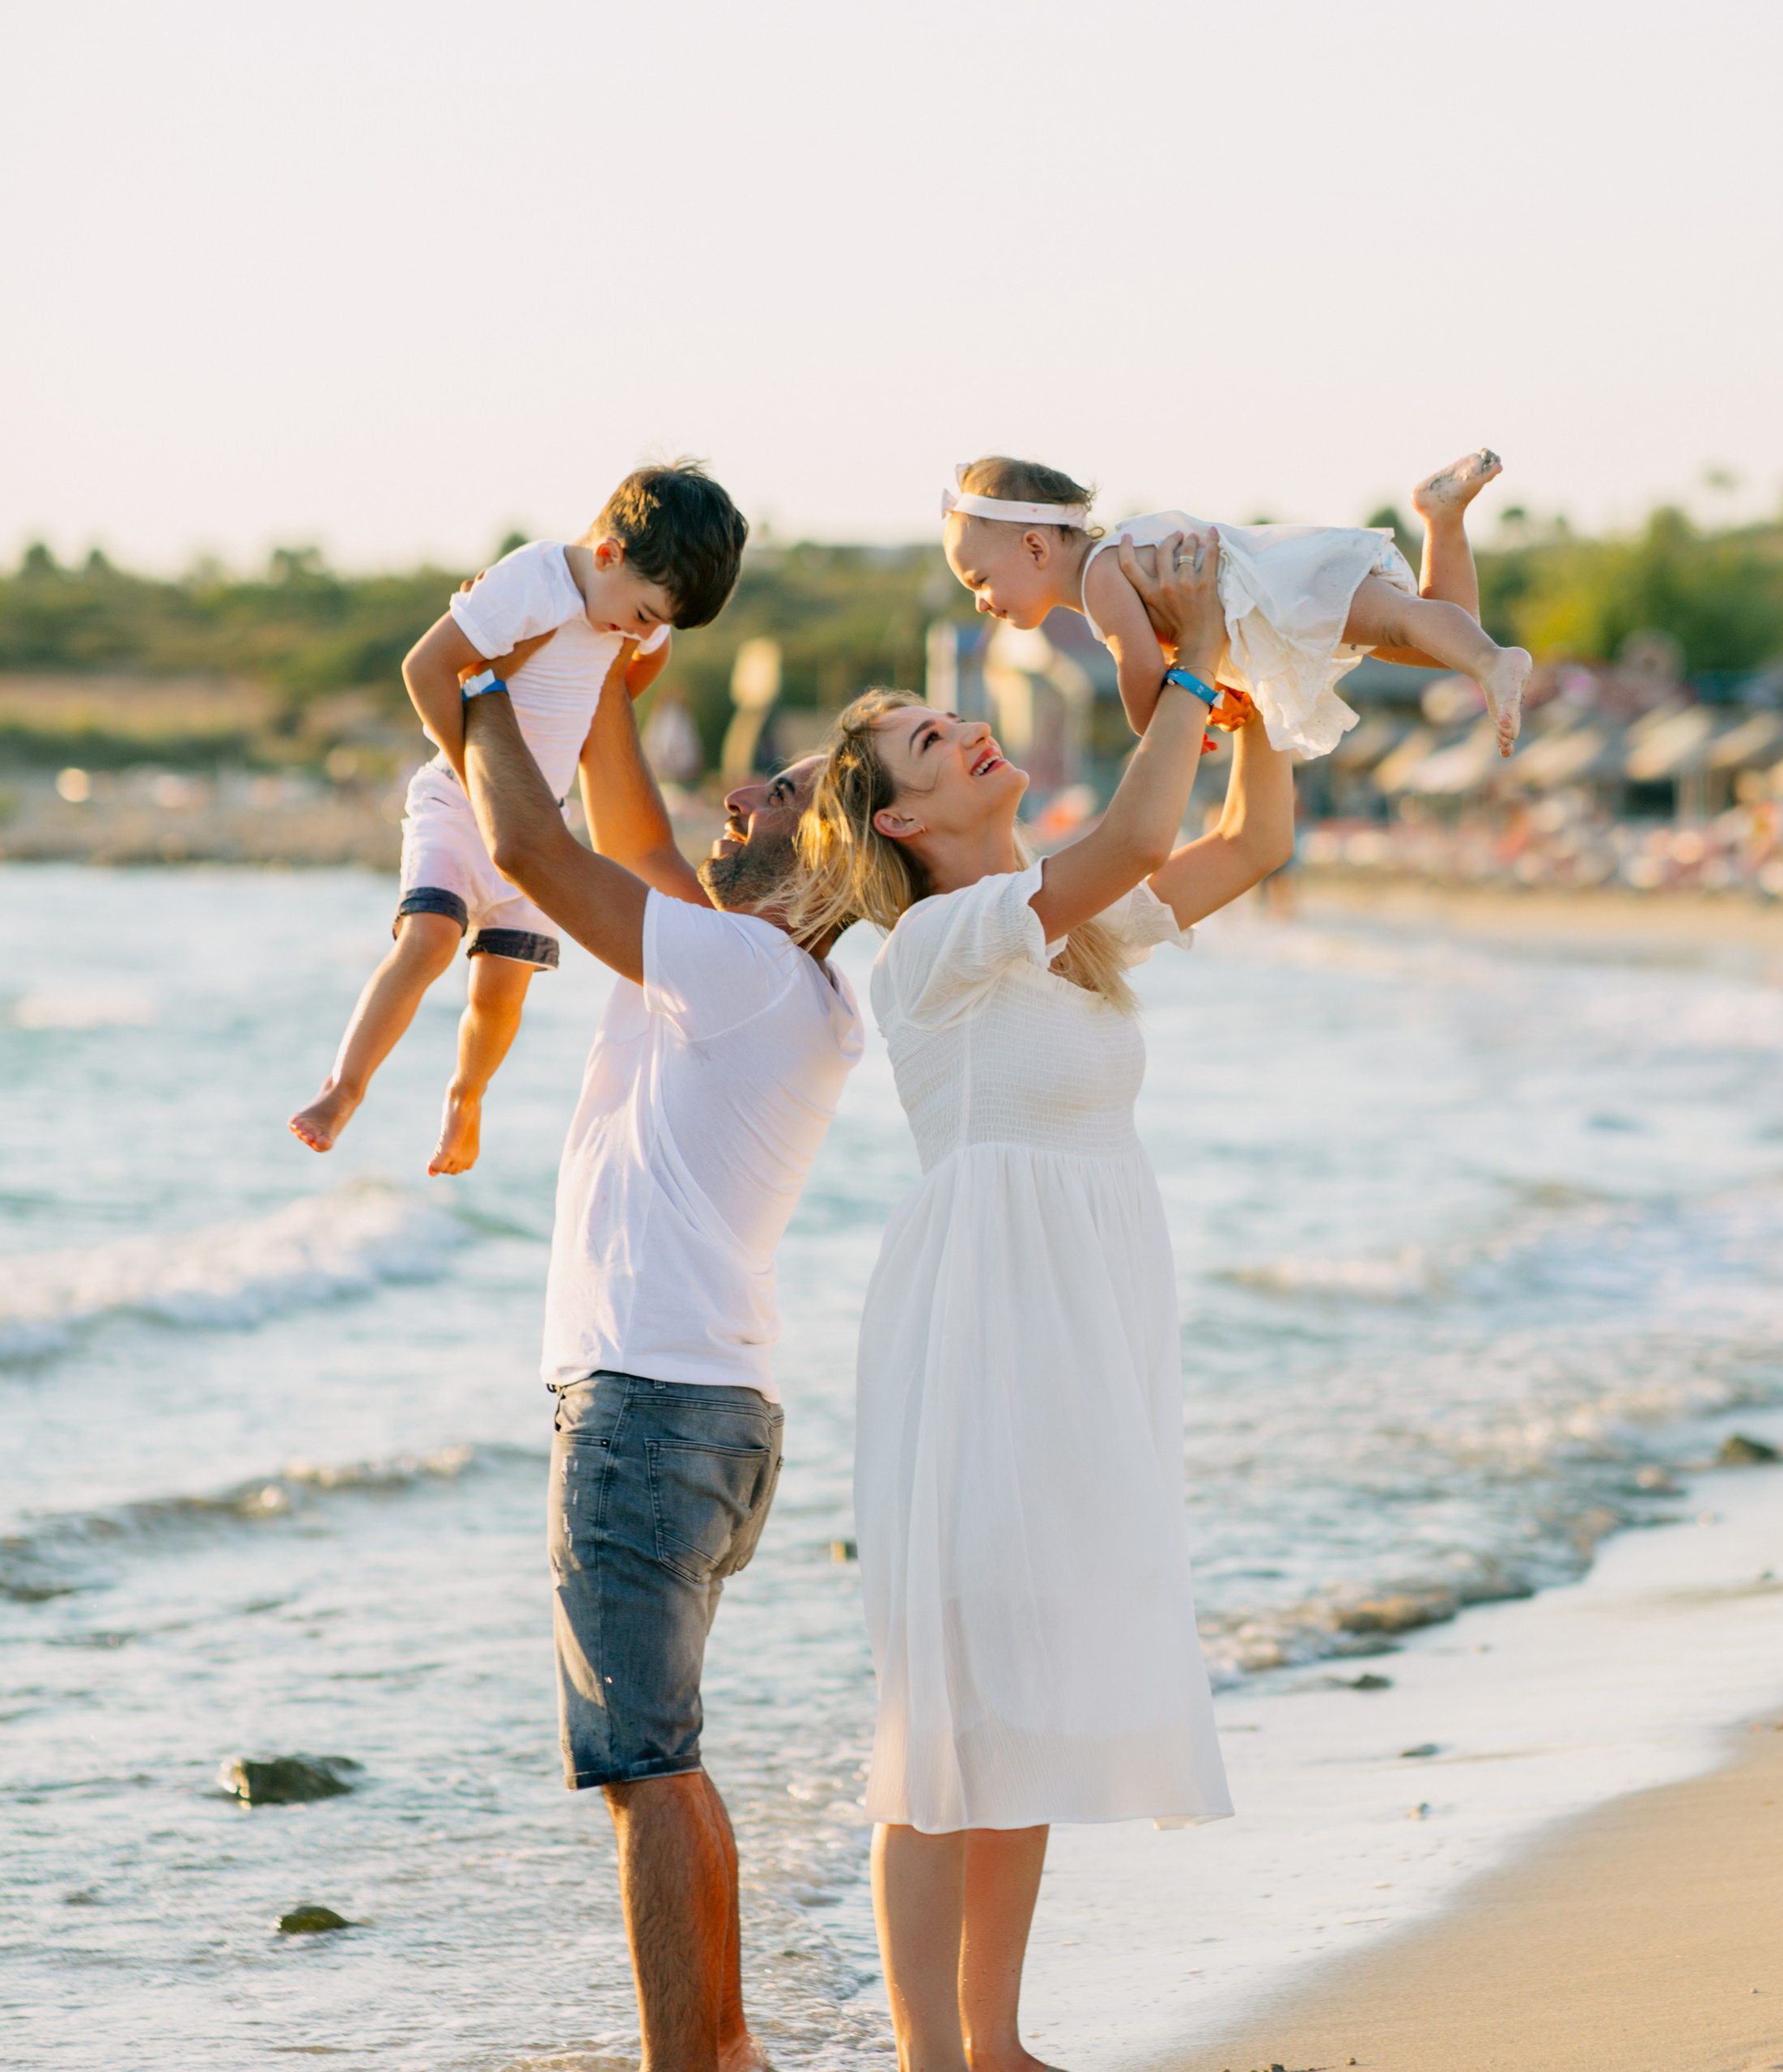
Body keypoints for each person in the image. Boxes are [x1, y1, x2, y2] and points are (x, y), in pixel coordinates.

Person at [787, 533, 1286, 2072]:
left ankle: (994, 2047)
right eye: (930, 744)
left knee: (1028, 1691)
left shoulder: (1067, 938)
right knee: (945, 1705)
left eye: (949, 719)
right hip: (984, 1329)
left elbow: (1245, 843)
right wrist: (1186, 654)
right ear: (905, 821)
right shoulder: (932, 945)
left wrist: (1251, 701)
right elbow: (1143, 828)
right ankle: (929, 2059)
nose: (965, 731)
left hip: (1082, 1323)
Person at [457, 649, 861, 2072]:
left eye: (788, 796)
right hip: (710, 1410)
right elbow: (628, 833)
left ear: (833, 862)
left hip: (645, 1410)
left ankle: (702, 2060)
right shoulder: (767, 976)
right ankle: (722, 2050)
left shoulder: (742, 969)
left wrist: (480, 680)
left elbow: (526, 842)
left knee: (648, 1763)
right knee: (661, 1754)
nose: (744, 794)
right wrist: (611, 677)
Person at [288, 462, 747, 1174]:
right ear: (608, 555)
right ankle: (342, 1090)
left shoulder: (629, 615)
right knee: (429, 941)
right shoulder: (532, 581)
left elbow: (629, 677)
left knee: (501, 992)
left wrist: (622, 661)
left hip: (543, 826)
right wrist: (479, 774)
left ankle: (466, 1099)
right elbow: (426, 668)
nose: (648, 632)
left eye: (661, 624)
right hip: (456, 797)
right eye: (648, 615)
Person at [940, 449, 1529, 762]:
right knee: (1430, 638)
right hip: (1283, 601)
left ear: (1037, 546)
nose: (979, 602)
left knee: (1408, 621)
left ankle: (1497, 662)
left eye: (980, 580)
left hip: (1286, 589)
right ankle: (1442, 516)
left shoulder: (1100, 577)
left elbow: (1139, 668)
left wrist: (1160, 727)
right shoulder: (1107, 570)